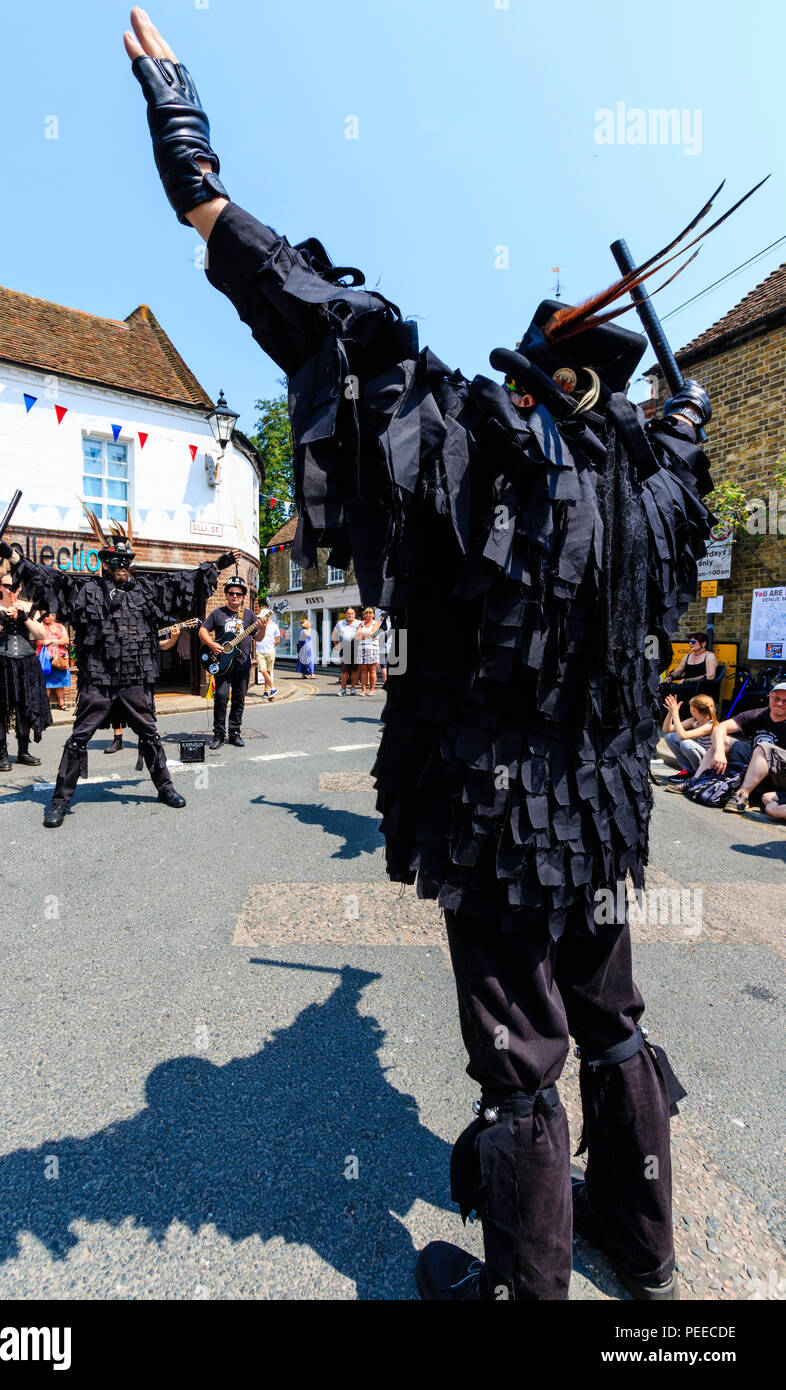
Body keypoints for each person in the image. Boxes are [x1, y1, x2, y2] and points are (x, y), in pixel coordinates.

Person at [126, 9, 719, 1300]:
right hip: (603, 812)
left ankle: (524, 1289)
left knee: (519, 1055)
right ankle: (648, 1242)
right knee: (609, 1016)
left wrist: (197, 172)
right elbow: (685, 445)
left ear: (531, 375)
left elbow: (336, 326)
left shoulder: (473, 446)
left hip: (500, 814)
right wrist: (684, 416)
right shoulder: (655, 485)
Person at [0, 508, 237, 826]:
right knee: (78, 739)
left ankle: (166, 788)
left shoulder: (147, 591)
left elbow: (184, 581)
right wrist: (8, 552)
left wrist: (219, 564)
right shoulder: (85, 591)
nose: (123, 567)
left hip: (135, 678)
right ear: (105, 562)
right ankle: (60, 802)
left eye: (126, 562)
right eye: (117, 562)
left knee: (149, 735)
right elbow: (45, 576)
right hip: (98, 679)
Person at [0, 572, 52, 769]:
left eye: (14, 586)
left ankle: (23, 752)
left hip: (26, 662)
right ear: (0, 587)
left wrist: (25, 618)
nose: (11, 589)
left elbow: (41, 634)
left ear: (20, 587)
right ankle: (2, 755)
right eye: (7, 586)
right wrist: (2, 622)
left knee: (25, 706)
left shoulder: (29, 606)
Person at [687, 684, 786, 814]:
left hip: (780, 776)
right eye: (776, 698)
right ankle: (696, 780)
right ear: (769, 697)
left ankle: (742, 795)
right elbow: (719, 728)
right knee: (722, 740)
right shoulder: (758, 714)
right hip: (756, 768)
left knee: (763, 747)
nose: (779, 703)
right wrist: (719, 752)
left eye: (785, 701)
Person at [201, 577, 268, 748]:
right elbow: (202, 630)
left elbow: (258, 637)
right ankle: (218, 734)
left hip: (242, 663)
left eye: (238, 593)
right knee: (221, 697)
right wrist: (211, 644)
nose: (235, 596)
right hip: (223, 663)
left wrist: (264, 627)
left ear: (243, 596)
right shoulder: (217, 613)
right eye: (231, 593)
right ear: (226, 594)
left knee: (239, 698)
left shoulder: (249, 615)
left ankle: (235, 732)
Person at [104, 621, 185, 753]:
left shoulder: (151, 620)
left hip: (142, 669)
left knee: (144, 705)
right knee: (117, 704)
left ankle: (146, 739)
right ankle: (117, 740)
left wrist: (174, 638)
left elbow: (162, 646)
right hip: (119, 666)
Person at [661, 692, 723, 788]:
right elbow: (667, 729)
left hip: (709, 761)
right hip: (702, 755)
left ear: (693, 709)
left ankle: (698, 773)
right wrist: (670, 712)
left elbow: (683, 735)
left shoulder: (710, 725)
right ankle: (688, 771)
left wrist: (675, 713)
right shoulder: (694, 721)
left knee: (686, 744)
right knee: (670, 737)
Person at [660, 632, 718, 718]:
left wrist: (687, 680)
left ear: (703, 643)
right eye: (690, 642)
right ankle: (666, 716)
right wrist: (670, 677)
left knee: (678, 690)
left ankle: (681, 717)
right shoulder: (688, 656)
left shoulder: (709, 656)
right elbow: (678, 671)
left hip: (701, 685)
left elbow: (710, 676)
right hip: (685, 684)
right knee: (664, 686)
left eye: (693, 642)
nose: (690, 644)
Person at [38, 610, 72, 712]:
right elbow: (40, 641)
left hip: (60, 657)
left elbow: (66, 640)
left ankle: (61, 703)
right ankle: (45, 704)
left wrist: (52, 641)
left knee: (60, 681)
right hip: (46, 657)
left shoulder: (60, 627)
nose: (45, 618)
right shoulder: (41, 627)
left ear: (53, 615)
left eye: (47, 616)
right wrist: (57, 641)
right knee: (45, 681)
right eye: (43, 616)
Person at [331, 607, 360, 695]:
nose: (350, 615)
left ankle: (353, 689)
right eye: (348, 613)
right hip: (344, 649)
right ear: (345, 614)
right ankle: (343, 689)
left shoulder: (359, 623)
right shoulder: (340, 623)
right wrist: (336, 645)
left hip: (356, 649)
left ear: (354, 615)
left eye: (352, 613)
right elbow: (334, 633)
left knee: (355, 670)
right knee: (344, 671)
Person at [256, 607, 281, 698]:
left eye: (263, 617)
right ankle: (273, 687)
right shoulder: (258, 625)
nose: (261, 618)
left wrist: (270, 647)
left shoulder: (274, 626)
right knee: (263, 670)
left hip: (270, 651)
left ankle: (266, 691)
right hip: (259, 652)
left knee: (268, 672)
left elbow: (277, 640)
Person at [357, 608, 380, 696]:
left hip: (372, 648)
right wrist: (368, 634)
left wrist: (363, 634)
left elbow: (373, 633)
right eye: (366, 613)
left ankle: (372, 690)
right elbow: (357, 636)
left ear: (373, 615)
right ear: (364, 614)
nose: (368, 614)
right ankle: (363, 690)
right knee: (363, 670)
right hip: (362, 648)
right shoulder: (361, 624)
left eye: (370, 613)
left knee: (372, 669)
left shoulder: (376, 623)